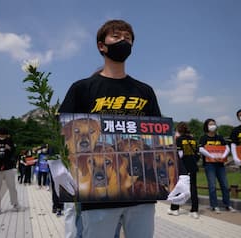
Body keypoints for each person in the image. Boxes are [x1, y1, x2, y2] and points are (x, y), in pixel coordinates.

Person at [50, 19, 191, 238]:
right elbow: (57, 132)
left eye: (127, 37)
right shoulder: (82, 89)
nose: (123, 40)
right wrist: (56, 165)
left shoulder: (144, 91)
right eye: (116, 37)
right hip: (98, 198)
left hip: (140, 196)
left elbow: (162, 137)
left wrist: (182, 174)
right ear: (101, 45)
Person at [198, 118, 236, 213]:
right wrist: (211, 156)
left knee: (224, 185)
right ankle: (214, 205)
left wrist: (222, 157)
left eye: (214, 124)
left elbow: (227, 148)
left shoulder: (220, 137)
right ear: (206, 126)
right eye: (210, 124)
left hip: (220, 164)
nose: (212, 126)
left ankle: (227, 204)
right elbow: (201, 149)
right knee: (212, 186)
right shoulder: (203, 138)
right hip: (209, 165)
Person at [167, 122, 199, 219]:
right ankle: (194, 210)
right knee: (193, 188)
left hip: (183, 167)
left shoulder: (179, 140)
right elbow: (197, 154)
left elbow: (180, 155)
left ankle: (174, 209)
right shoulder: (193, 140)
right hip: (193, 166)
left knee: (179, 187)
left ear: (178, 130)